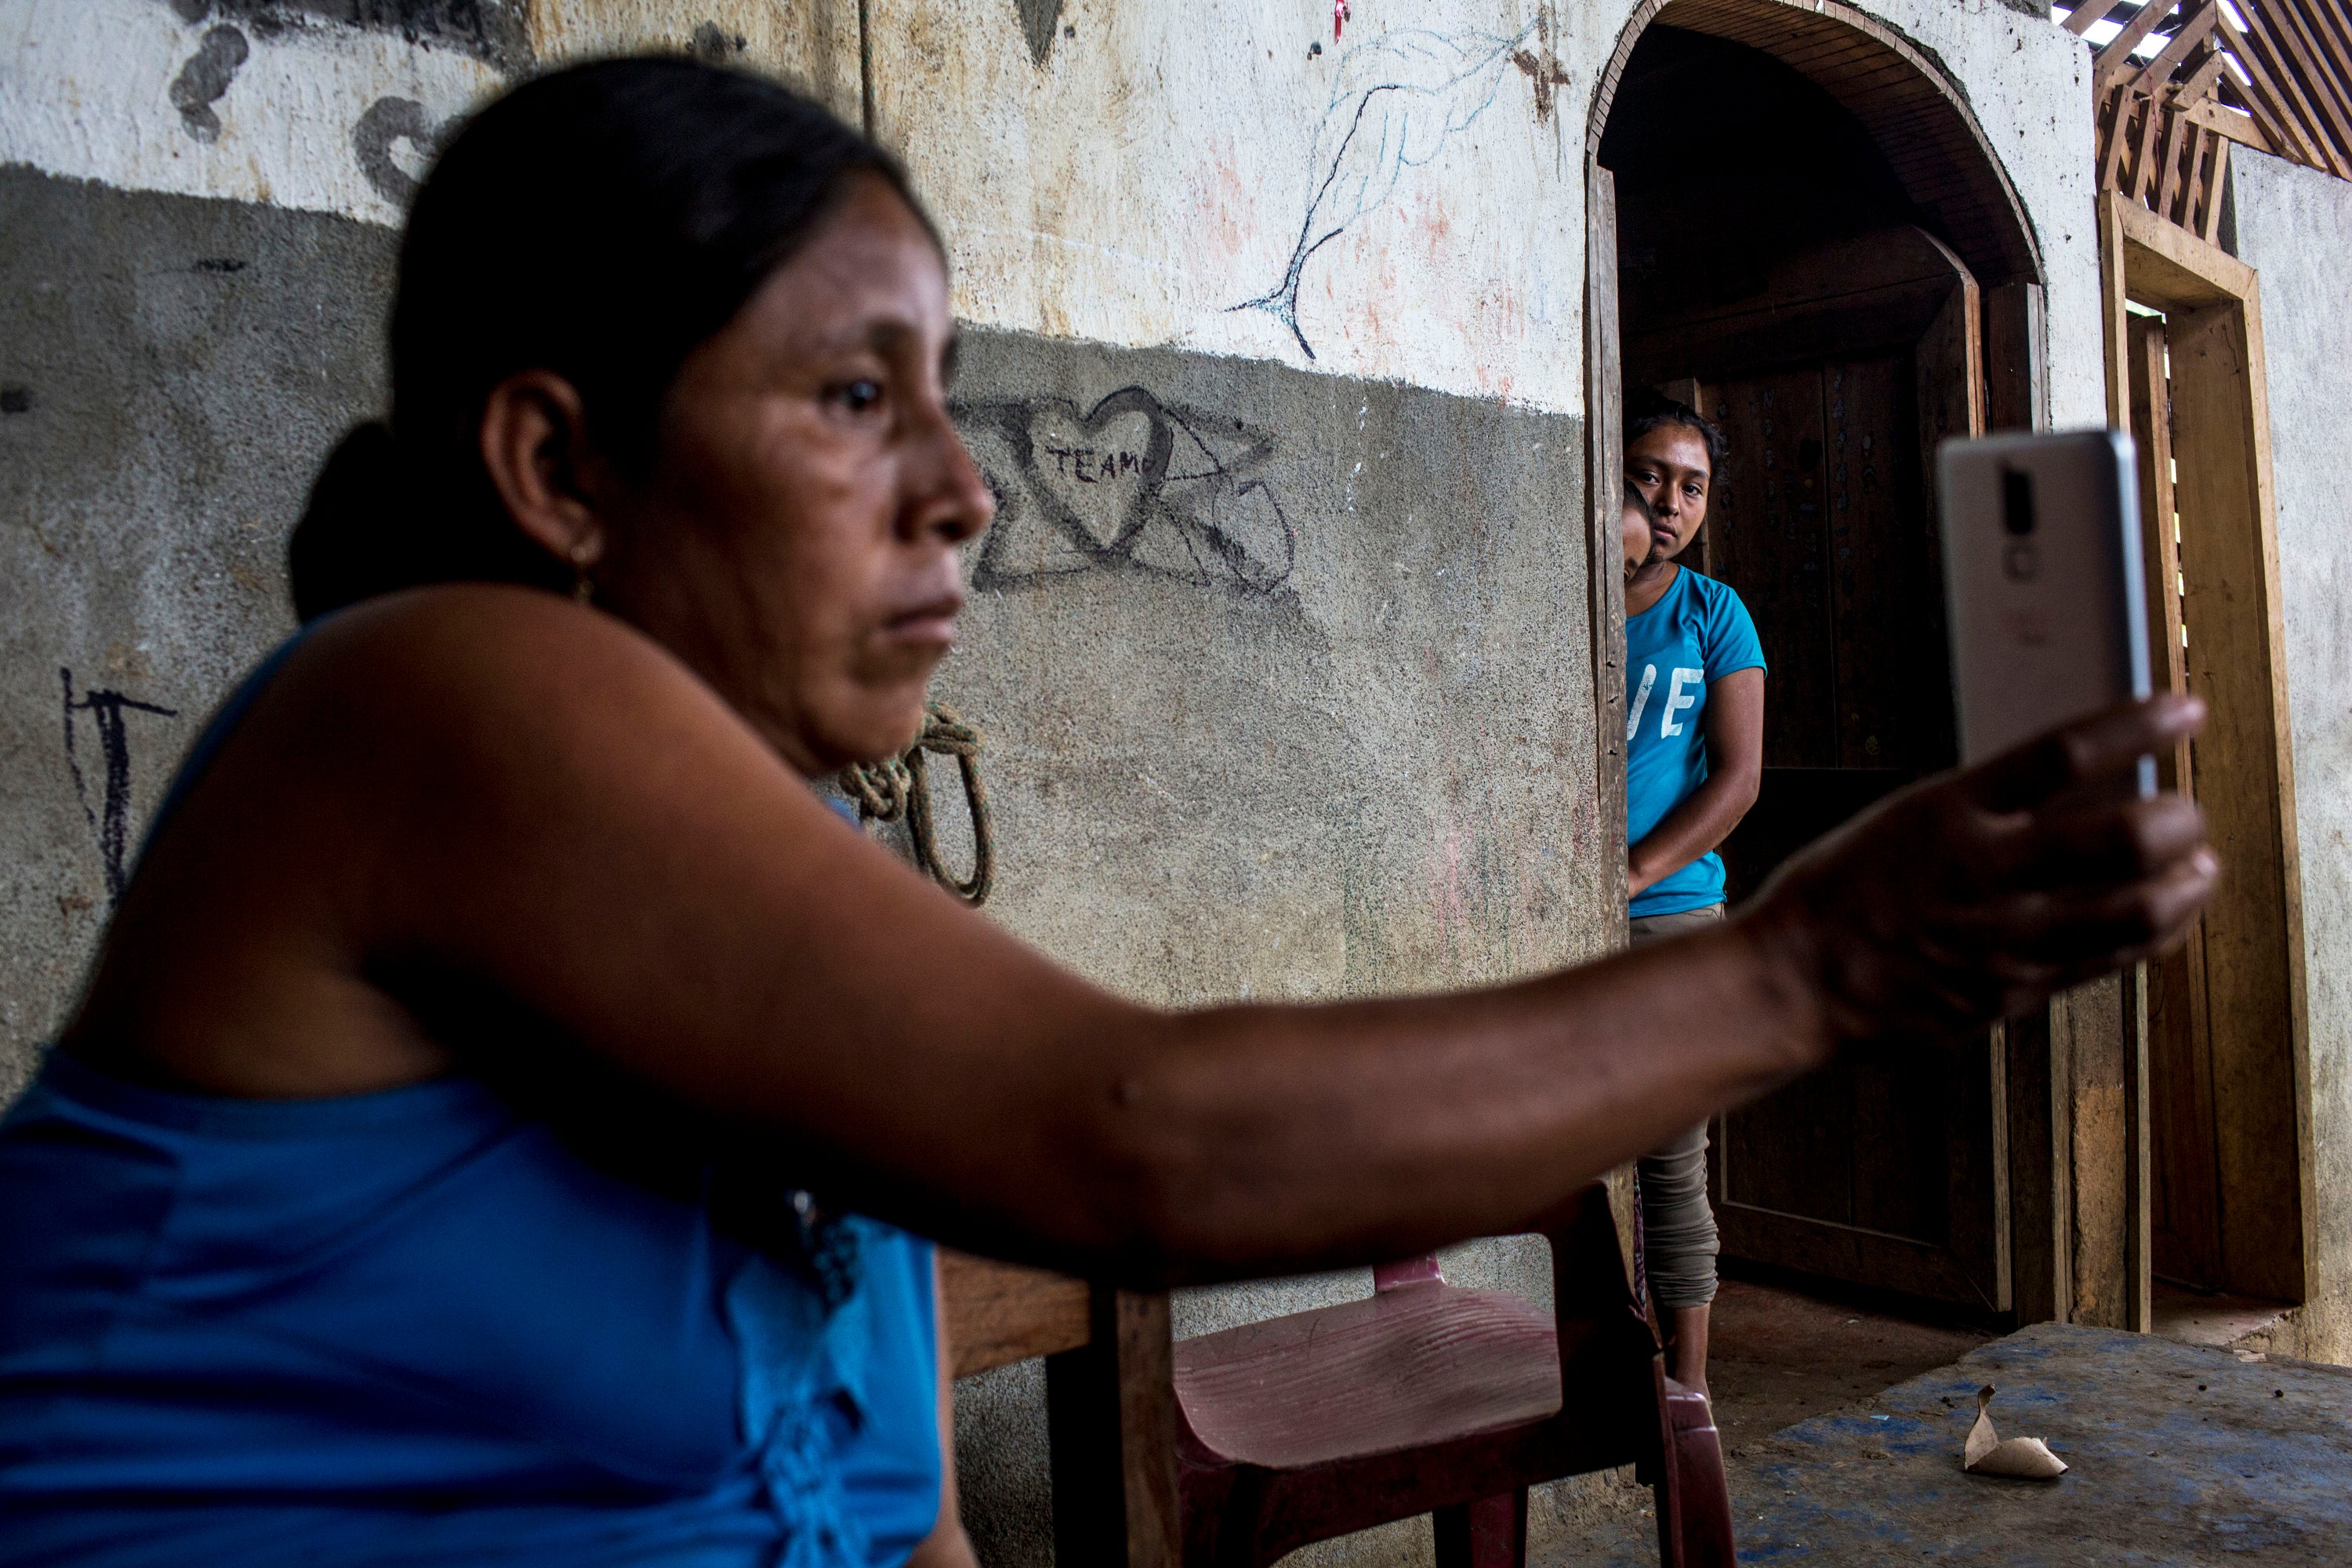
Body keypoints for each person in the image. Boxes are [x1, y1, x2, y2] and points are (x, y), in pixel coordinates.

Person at [0, 59, 2216, 1568]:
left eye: (947, 400)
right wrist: (1822, 960)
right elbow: (1142, 1139)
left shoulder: (785, 908)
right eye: (858, 397)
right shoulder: (425, 698)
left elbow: (899, 1515)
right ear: (562, 470)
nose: (963, 487)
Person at [1618, 395, 1762, 1395]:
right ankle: (1585, 1382)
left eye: (1691, 485)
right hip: (1546, 924)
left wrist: (1630, 874)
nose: (1670, 501)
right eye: (1650, 474)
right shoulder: (1561, 589)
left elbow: (1738, 778)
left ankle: (1687, 1404)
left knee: (1672, 1165)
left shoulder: (1714, 613)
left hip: (1670, 915)